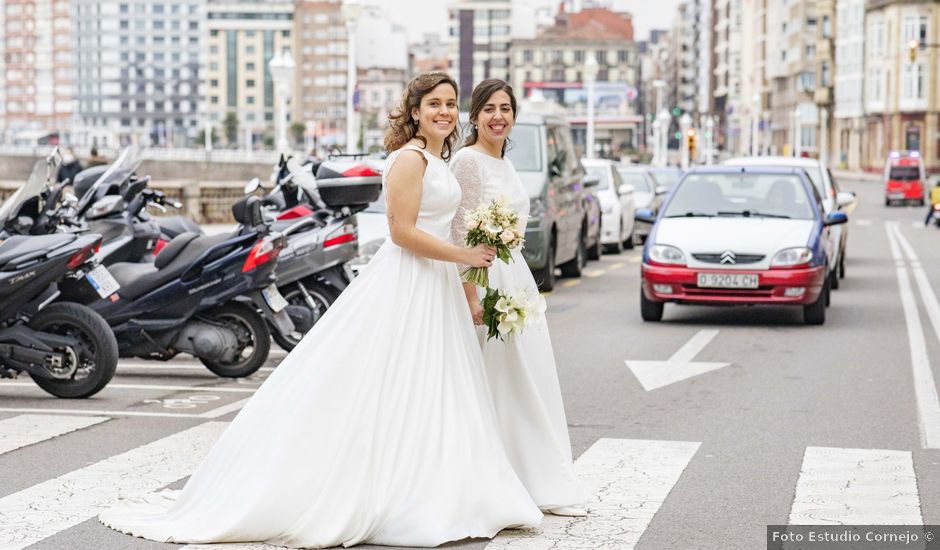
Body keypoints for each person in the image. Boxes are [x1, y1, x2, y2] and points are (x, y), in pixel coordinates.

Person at [98, 71, 542, 548]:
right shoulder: (409, 160)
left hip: (436, 287)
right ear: (414, 111)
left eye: (451, 104)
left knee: (437, 386)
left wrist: (466, 275)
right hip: (408, 281)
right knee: (391, 384)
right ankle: (394, 492)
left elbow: (445, 223)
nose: (444, 112)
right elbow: (401, 232)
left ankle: (445, 488)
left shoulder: (441, 160)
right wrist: (465, 258)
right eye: (434, 103)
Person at [450, 79, 587, 517]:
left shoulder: (505, 161)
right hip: (484, 279)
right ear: (474, 116)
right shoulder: (468, 162)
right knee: (498, 377)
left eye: (505, 109)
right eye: (489, 108)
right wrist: (471, 294)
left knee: (524, 374)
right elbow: (458, 232)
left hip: (515, 280)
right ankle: (497, 478)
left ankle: (528, 473)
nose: (498, 117)